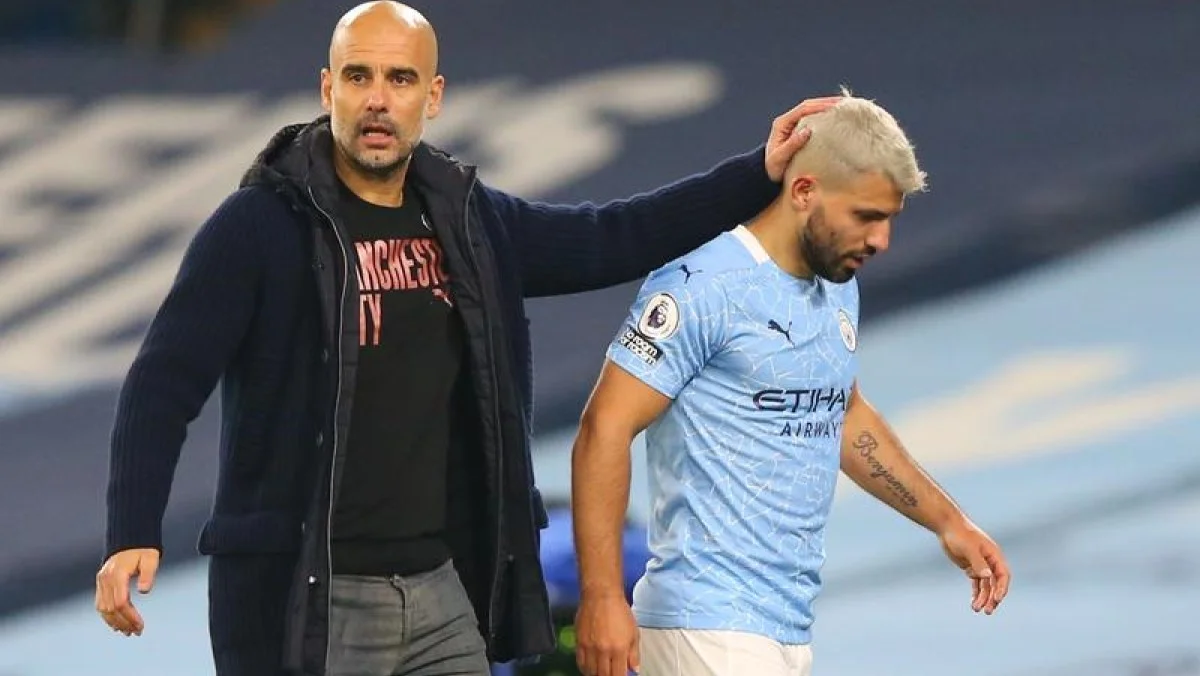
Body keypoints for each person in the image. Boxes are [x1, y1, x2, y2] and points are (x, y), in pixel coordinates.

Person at [91, 1, 841, 674]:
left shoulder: (468, 219)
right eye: (358, 76)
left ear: (433, 97)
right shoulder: (258, 227)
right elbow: (164, 381)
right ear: (327, 89)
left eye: (400, 79)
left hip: (441, 593)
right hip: (309, 598)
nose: (378, 99)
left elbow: (610, 237)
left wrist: (756, 173)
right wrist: (131, 529)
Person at [570, 93, 1012, 676]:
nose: (881, 241)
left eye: (889, 219)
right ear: (804, 191)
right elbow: (604, 426)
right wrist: (603, 597)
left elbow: (841, 413)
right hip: (706, 624)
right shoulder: (703, 284)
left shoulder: (836, 283)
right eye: (866, 216)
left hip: (781, 626)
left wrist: (948, 522)